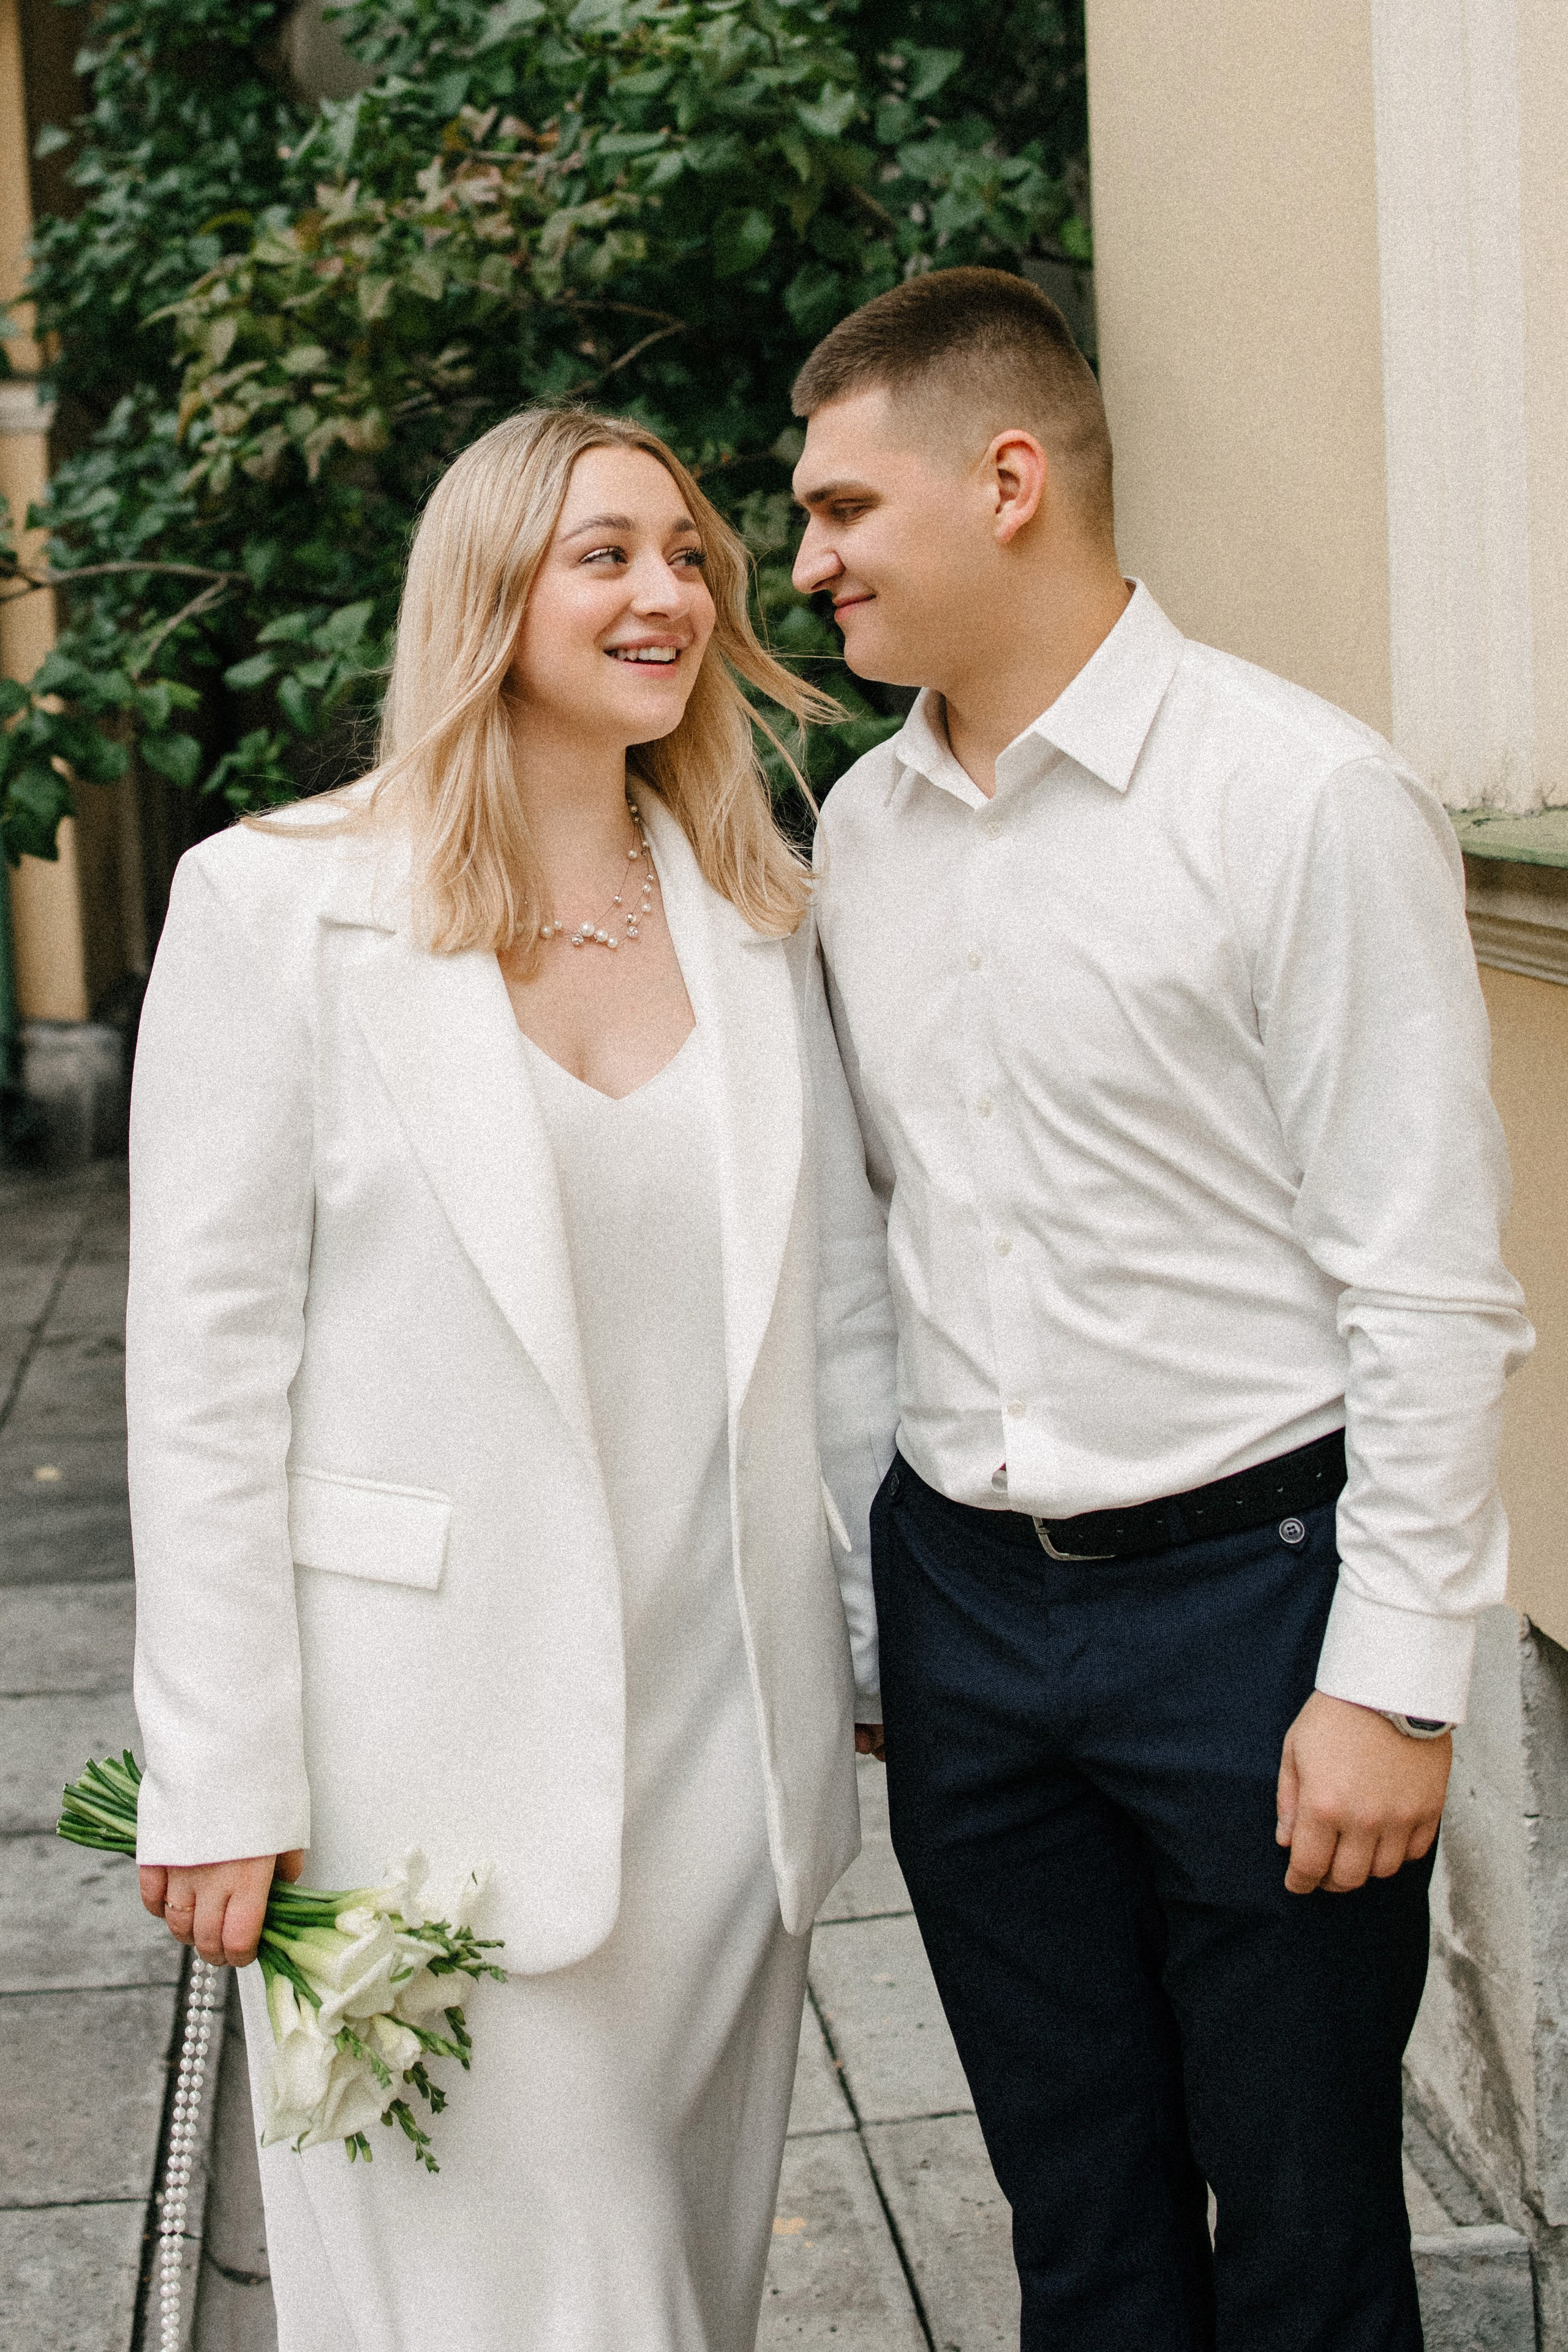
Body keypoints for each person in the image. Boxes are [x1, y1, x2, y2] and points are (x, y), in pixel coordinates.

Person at [791, 267, 1532, 2351]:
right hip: (969, 1626)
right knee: (1074, 2228)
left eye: (844, 508)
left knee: (1307, 2236)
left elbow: (1425, 1277)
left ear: (1007, 479)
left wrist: (1393, 1680)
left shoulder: (1301, 799)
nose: (808, 563)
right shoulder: (860, 835)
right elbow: (875, 1240)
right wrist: (881, 1620)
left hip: (1255, 1616)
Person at [127, 404, 897, 2352]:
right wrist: (218, 1771)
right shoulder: (276, 905)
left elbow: (842, 1326)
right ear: (488, 593)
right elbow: (206, 1374)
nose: (669, 592)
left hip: (729, 1765)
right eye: (606, 554)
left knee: (680, 2299)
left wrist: (891, 1651)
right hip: (425, 1783)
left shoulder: (760, 912)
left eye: (689, 552)